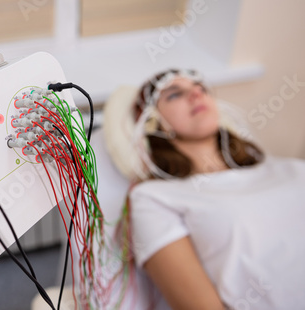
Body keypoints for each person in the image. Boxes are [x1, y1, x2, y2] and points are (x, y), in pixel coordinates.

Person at [123, 69, 305, 309]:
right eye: (175, 94)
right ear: (152, 121)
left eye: (201, 89)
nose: (196, 95)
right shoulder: (154, 198)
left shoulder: (291, 169)